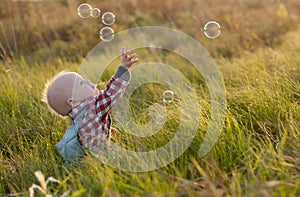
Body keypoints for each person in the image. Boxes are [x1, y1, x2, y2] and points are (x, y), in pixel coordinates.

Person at [42, 47, 138, 162]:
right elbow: (110, 94)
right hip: (101, 157)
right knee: (129, 156)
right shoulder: (93, 108)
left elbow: (89, 130)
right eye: (82, 83)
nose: (88, 81)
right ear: (73, 101)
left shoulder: (77, 114)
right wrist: (123, 68)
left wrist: (105, 130)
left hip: (86, 157)